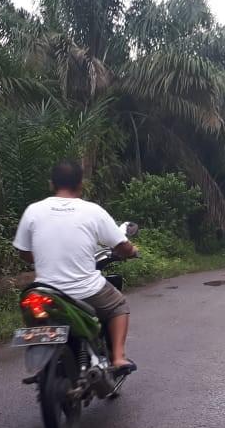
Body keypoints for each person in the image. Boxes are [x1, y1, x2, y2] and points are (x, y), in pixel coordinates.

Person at [13, 160, 138, 373]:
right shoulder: (92, 211)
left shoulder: (33, 210)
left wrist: (45, 258)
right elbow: (122, 245)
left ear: (51, 183)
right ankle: (118, 357)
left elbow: (23, 252)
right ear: (81, 184)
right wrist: (132, 251)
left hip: (45, 292)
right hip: (86, 291)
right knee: (119, 306)